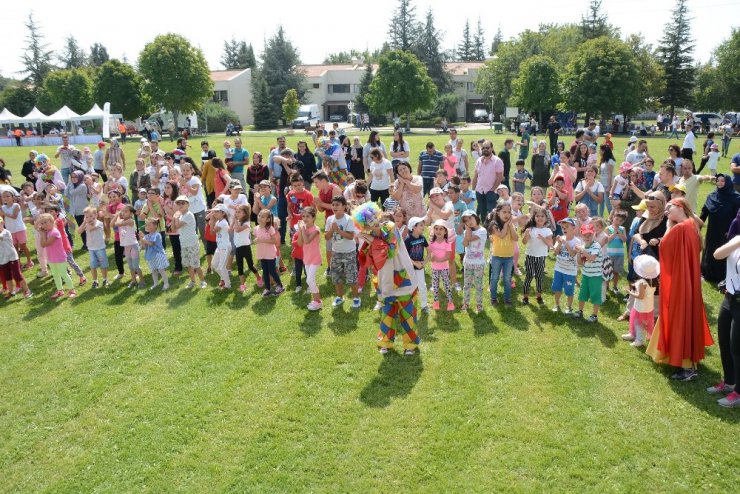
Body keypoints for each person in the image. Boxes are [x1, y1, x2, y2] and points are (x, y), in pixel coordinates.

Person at [646, 198, 713, 381]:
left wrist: (668, 225)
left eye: (670, 208)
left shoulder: (680, 228)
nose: (667, 212)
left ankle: (687, 367)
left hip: (680, 283)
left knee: (679, 318)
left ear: (681, 207)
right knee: (683, 316)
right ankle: (674, 356)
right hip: (687, 281)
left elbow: (664, 246)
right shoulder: (692, 225)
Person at [710, 235, 740, 407]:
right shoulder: (737, 239)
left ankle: (738, 393)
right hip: (729, 298)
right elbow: (717, 255)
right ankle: (729, 382)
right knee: (724, 341)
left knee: (737, 346)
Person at [700, 174, 740, 283]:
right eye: (718, 180)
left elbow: (738, 217)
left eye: (723, 181)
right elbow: (704, 212)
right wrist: (697, 226)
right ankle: (706, 273)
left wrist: (733, 232)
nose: (720, 183)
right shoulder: (712, 196)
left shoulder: (736, 198)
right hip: (712, 230)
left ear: (728, 182)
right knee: (709, 250)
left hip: (727, 232)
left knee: (723, 252)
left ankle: (722, 277)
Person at [325, 196, 359, 308]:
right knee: (336, 276)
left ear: (344, 207)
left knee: (351, 277)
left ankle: (356, 298)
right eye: (333, 205)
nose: (334, 207)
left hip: (349, 252)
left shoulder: (348, 219)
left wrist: (338, 230)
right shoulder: (330, 219)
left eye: (337, 205)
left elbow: (350, 236)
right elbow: (326, 237)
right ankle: (340, 297)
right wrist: (332, 229)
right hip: (336, 252)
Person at [621, 255, 658, 347]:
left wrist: (629, 292)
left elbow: (640, 296)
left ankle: (639, 340)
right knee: (638, 322)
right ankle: (632, 334)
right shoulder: (653, 280)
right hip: (648, 306)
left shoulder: (642, 282)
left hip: (641, 307)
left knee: (638, 323)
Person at [37, 213, 76, 299]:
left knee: (64, 274)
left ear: (51, 221)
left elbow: (45, 244)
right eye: (42, 223)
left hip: (59, 258)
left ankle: (72, 290)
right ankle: (60, 290)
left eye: (45, 222)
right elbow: (42, 244)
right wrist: (42, 234)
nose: (43, 225)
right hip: (51, 258)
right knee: (55, 275)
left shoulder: (54, 232)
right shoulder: (46, 232)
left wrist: (42, 234)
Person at [172, 195, 207, 289]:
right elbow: (173, 228)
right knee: (188, 264)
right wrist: (174, 217)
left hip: (192, 243)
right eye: (178, 203)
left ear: (188, 204)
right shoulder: (180, 215)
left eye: (183, 203)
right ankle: (192, 281)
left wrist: (175, 217)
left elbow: (177, 226)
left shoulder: (188, 215)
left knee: (195, 264)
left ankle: (203, 281)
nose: (180, 205)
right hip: (184, 244)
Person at [521, 207, 553, 305]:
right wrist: (526, 235)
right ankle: (525, 297)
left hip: (541, 257)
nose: (540, 218)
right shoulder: (531, 229)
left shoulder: (547, 230)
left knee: (539, 276)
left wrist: (543, 238)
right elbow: (524, 242)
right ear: (534, 218)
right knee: (529, 275)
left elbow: (550, 243)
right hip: (530, 256)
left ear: (546, 219)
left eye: (542, 216)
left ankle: (539, 297)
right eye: (537, 216)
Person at [572, 223, 603, 322]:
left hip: (596, 276)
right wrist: (578, 253)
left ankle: (594, 315)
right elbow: (580, 263)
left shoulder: (596, 246)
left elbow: (592, 258)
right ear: (581, 235)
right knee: (582, 294)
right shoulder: (583, 246)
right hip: (586, 275)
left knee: (595, 295)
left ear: (593, 234)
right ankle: (580, 311)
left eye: (589, 234)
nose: (587, 237)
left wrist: (582, 250)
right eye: (585, 235)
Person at [551, 218, 582, 314]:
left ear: (573, 228)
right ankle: (557, 305)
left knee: (569, 291)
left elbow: (573, 254)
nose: (564, 229)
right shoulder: (561, 238)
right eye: (563, 227)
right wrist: (560, 243)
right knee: (557, 288)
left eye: (566, 227)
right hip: (559, 269)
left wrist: (566, 244)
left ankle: (569, 307)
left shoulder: (577, 241)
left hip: (570, 271)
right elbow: (555, 253)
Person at [296, 206, 322, 310]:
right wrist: (301, 231)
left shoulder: (316, 230)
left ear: (314, 218)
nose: (305, 219)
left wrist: (302, 229)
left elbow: (307, 241)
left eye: (308, 216)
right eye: (303, 216)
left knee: (310, 280)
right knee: (310, 280)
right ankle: (316, 299)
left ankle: (318, 301)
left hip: (315, 258)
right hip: (307, 258)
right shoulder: (304, 228)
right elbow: (300, 243)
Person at [0, 191, 33, 269]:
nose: (5, 198)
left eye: (8, 196)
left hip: (19, 229)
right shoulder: (2, 208)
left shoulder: (16, 205)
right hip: (10, 231)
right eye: (4, 196)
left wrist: (4, 213)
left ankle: (29, 261)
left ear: (12, 197)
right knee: (15, 247)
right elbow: (2, 219)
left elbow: (14, 216)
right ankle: (19, 263)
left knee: (23, 246)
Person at [254, 209, 283, 296]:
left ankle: (280, 286)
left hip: (270, 254)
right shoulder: (256, 228)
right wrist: (256, 240)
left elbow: (274, 241)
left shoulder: (270, 229)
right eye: (259, 215)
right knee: (265, 271)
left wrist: (262, 240)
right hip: (262, 253)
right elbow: (257, 238)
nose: (259, 218)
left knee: (272, 270)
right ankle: (267, 288)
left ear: (268, 220)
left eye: (262, 217)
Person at [472, 140, 504, 220]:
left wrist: (492, 189)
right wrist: (473, 189)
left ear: (492, 148)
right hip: (479, 191)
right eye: (483, 148)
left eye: (487, 147)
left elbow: (500, 177)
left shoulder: (497, 161)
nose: (485, 149)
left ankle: (492, 230)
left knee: (491, 214)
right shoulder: (479, 160)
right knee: (482, 213)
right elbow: (475, 175)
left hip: (491, 191)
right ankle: (484, 230)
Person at [0, 217, 31, 299]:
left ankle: (27, 290)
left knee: (17, 275)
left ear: (2, 223)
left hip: (12, 257)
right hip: (2, 258)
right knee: (7, 276)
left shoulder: (6, 232)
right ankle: (11, 292)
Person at [114, 205, 143, 289]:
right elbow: (113, 224)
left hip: (133, 246)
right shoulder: (122, 220)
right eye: (122, 211)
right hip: (126, 247)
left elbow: (118, 223)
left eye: (125, 211)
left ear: (131, 213)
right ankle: (133, 280)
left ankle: (142, 281)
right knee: (130, 266)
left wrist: (118, 215)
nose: (123, 213)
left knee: (136, 266)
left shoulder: (131, 220)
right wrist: (117, 215)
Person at [429, 219, 454, 311]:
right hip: (434, 268)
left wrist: (439, 259)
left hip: (444, 268)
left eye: (441, 229)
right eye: (436, 229)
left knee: (447, 284)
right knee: (435, 285)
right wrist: (431, 257)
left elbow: (448, 256)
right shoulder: (431, 244)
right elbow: (430, 256)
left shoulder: (447, 243)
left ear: (445, 231)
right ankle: (436, 302)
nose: (438, 231)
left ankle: (450, 302)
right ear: (433, 230)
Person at [404, 216, 429, 312]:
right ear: (414, 227)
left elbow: (429, 252)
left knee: (422, 286)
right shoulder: (407, 240)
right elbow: (405, 256)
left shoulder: (422, 238)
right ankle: (409, 305)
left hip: (420, 267)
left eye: (424, 225)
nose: (423, 227)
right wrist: (415, 263)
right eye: (421, 225)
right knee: (410, 287)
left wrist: (424, 262)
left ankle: (424, 306)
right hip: (410, 268)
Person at [139, 217, 170, 290]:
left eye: (149, 225)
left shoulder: (157, 235)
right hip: (150, 255)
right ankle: (155, 283)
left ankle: (166, 283)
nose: (147, 227)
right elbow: (144, 246)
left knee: (161, 270)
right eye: (146, 225)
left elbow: (151, 243)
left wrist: (143, 239)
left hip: (158, 255)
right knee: (153, 270)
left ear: (155, 226)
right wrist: (141, 239)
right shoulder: (146, 236)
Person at [598, 144, 616, 217]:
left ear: (604, 151)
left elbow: (610, 174)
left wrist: (609, 187)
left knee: (608, 203)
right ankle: (600, 217)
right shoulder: (603, 160)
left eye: (600, 150)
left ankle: (611, 218)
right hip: (602, 184)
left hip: (606, 184)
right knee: (601, 202)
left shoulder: (610, 161)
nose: (599, 151)